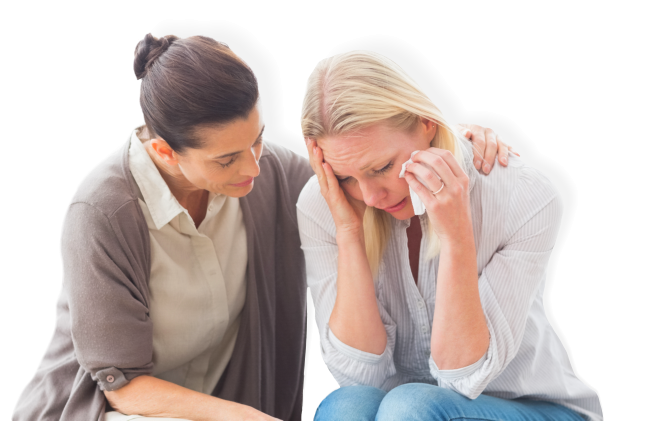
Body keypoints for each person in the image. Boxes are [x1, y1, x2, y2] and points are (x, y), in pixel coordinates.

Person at [12, 35, 512, 421]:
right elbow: (119, 384)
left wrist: (451, 142)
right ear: (163, 152)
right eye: (228, 158)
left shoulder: (270, 175)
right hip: (108, 410)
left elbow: (357, 167)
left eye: (259, 139)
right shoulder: (103, 211)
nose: (253, 167)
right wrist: (246, 418)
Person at [298, 50, 603, 421]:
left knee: (409, 406)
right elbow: (357, 375)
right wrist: (348, 231)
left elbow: (463, 377)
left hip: (537, 409)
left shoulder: (523, 195)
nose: (370, 197)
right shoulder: (324, 203)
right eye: (346, 176)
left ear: (426, 123)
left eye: (382, 167)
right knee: (342, 407)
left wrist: (457, 233)